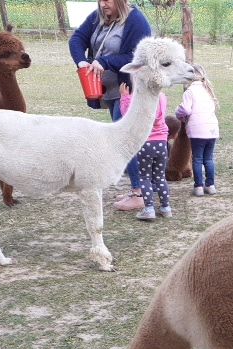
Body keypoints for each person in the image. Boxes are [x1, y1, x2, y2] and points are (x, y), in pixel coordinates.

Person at [69, 0, 152, 211]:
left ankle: (140, 194)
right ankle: (139, 188)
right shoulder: (98, 16)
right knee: (122, 139)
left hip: (127, 90)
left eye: (107, 0)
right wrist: (81, 61)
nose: (102, 3)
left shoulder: (136, 21)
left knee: (125, 140)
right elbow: (77, 38)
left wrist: (106, 62)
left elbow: (137, 57)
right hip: (109, 90)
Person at [119, 83, 171, 221]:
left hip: (146, 143)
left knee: (145, 177)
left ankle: (149, 209)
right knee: (160, 177)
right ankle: (166, 208)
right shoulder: (161, 96)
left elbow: (127, 115)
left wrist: (125, 97)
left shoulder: (140, 98)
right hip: (161, 143)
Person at [175, 64, 220, 197]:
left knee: (197, 159)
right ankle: (210, 185)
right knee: (209, 158)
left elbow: (186, 109)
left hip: (197, 130)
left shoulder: (190, 91)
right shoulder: (208, 89)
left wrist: (179, 113)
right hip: (212, 129)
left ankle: (199, 186)